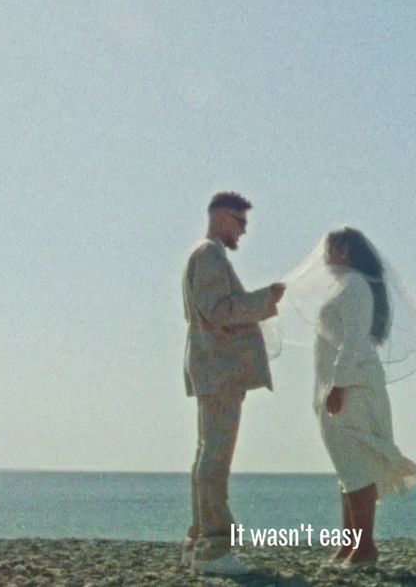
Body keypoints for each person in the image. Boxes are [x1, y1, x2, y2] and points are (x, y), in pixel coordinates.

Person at [180, 191, 285, 576]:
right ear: (224, 217)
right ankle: (214, 548)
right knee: (215, 458)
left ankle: (198, 542)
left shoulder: (205, 254)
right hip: (219, 371)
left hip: (212, 370)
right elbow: (220, 311)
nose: (243, 232)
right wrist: (267, 300)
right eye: (241, 223)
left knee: (206, 455)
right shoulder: (208, 255)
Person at [312, 227, 416, 568]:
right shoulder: (347, 285)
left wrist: (339, 384)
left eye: (329, 246)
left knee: (357, 467)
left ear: (345, 250)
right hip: (339, 384)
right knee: (348, 467)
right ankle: (349, 545)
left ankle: (365, 549)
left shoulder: (356, 285)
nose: (323, 253)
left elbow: (355, 341)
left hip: (352, 388)